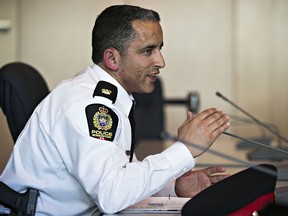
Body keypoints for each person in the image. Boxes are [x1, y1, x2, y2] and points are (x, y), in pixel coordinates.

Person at [0, 4, 230, 215]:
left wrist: (173, 187)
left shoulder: (110, 97)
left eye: (159, 49)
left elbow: (121, 174)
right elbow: (112, 195)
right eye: (148, 51)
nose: (161, 61)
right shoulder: (87, 105)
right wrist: (185, 150)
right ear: (112, 59)